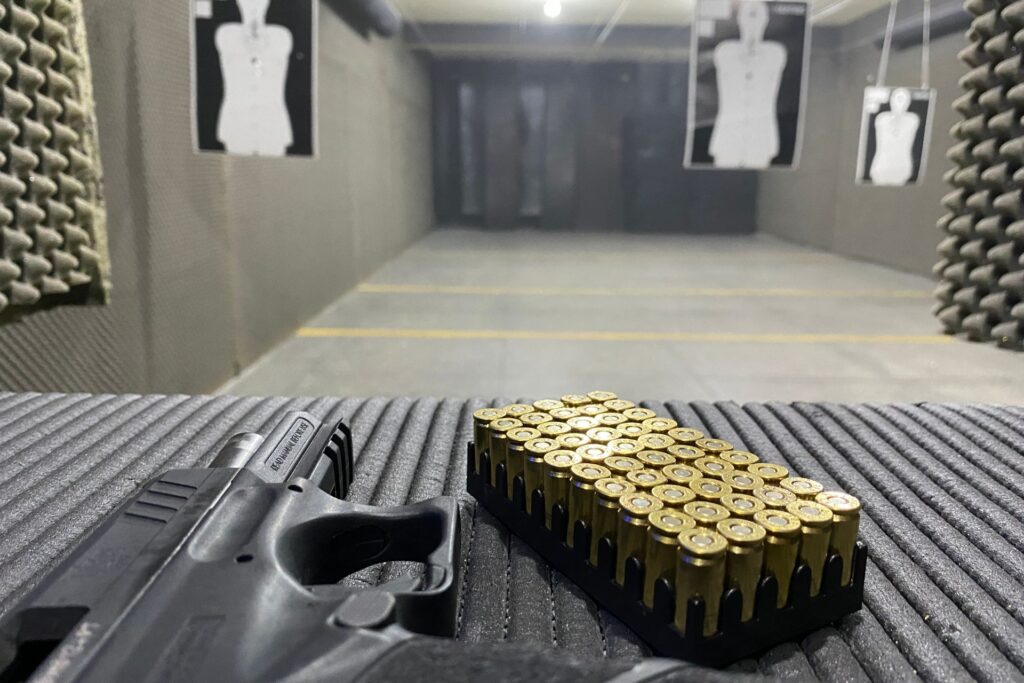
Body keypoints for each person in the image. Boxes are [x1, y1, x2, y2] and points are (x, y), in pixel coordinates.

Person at [709, 1, 787, 169]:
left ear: (766, 19)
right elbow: (736, 64)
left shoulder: (775, 52)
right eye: (748, 15)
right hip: (728, 135)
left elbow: (763, 64)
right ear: (739, 18)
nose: (752, 21)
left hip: (761, 134)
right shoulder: (725, 50)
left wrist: (754, 45)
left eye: (757, 15)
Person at [215, 0, 293, 156]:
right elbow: (240, 48)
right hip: (237, 122)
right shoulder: (226, 35)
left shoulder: (281, 36)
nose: (254, 10)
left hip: (272, 122)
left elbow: (267, 49)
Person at [869, 87, 919, 186]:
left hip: (901, 167)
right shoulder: (882, 119)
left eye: (903, 100)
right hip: (881, 166)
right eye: (897, 99)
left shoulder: (912, 120)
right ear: (891, 101)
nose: (899, 104)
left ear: (908, 103)